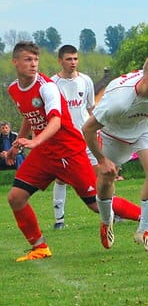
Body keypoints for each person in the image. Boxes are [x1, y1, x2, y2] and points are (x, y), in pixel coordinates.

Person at [5, 41, 148, 262]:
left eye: (36, 60)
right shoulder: (13, 89)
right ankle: (40, 247)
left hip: (69, 151)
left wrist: (34, 142)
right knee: (16, 197)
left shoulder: (47, 87)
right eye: (28, 60)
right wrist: (19, 142)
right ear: (15, 62)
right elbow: (29, 116)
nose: (34, 64)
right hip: (44, 153)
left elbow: (55, 121)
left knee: (96, 204)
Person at [82, 55, 148, 254]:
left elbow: (146, 100)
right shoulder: (118, 101)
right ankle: (107, 221)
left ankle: (144, 231)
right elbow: (87, 129)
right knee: (106, 179)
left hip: (143, 126)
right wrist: (102, 160)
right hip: (112, 135)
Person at [50, 45, 96, 230]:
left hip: (86, 136)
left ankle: (112, 214)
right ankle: (59, 220)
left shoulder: (86, 81)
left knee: (101, 173)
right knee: (61, 178)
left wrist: (98, 129)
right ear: (60, 61)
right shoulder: (52, 84)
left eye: (75, 59)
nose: (73, 63)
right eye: (69, 59)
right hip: (65, 139)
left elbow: (91, 108)